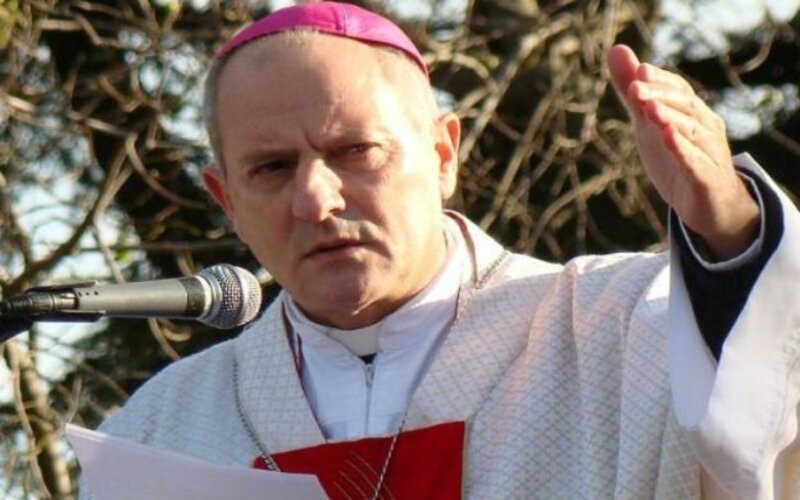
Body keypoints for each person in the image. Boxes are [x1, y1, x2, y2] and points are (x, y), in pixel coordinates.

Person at [79, 2, 800, 498]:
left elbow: (771, 409)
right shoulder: (160, 434)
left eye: (355, 151)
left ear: (443, 153)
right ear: (226, 199)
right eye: (270, 168)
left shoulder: (631, 328)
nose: (315, 200)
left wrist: (732, 231)